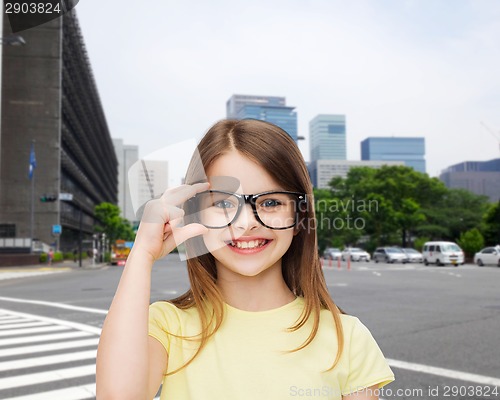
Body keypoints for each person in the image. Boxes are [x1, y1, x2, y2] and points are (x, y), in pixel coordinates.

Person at [96, 119, 394, 400]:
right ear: (194, 212)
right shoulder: (167, 325)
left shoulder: (347, 336)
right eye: (224, 203)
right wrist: (142, 255)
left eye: (271, 202)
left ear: (299, 215)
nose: (246, 223)